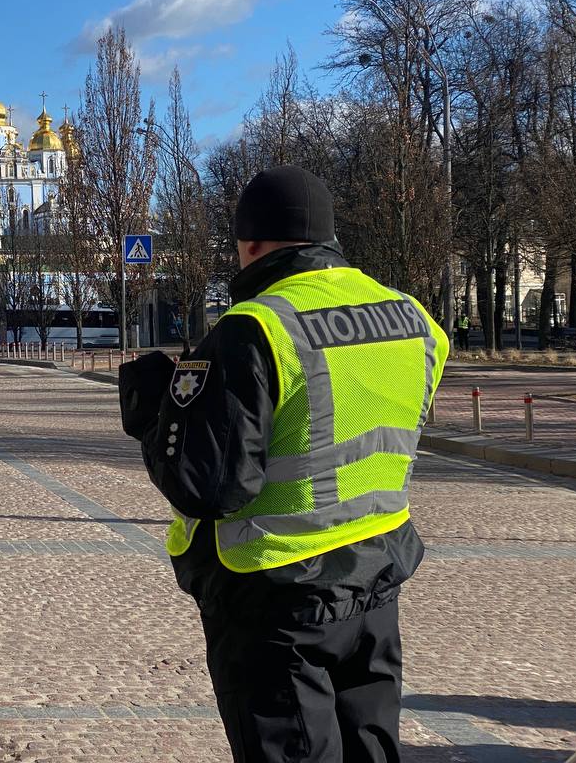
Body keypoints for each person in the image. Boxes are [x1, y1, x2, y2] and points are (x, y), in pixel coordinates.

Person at [119, 165, 447, 763]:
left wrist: (152, 413)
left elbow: (208, 487)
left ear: (249, 243)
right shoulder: (413, 318)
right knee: (372, 751)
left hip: (278, 594)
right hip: (376, 574)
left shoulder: (255, 328)